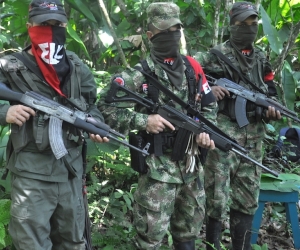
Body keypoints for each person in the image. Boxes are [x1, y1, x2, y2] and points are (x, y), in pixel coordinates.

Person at [97, 2, 217, 250]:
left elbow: (209, 107)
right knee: (150, 239)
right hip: (157, 170)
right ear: (150, 35)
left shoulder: (192, 68)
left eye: (176, 30)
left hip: (191, 167)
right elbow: (104, 109)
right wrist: (142, 121)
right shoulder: (138, 75)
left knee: (188, 233)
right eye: (164, 32)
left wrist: (206, 132)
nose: (171, 36)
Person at [0, 0, 109, 249]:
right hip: (32, 173)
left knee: (73, 241)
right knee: (31, 243)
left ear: (66, 26)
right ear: (30, 26)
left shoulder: (75, 65)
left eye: (57, 24)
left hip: (70, 170)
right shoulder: (10, 66)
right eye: (43, 25)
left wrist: (96, 124)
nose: (51, 30)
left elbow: (92, 105)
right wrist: (6, 111)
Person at [193, 2, 282, 250]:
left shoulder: (262, 57)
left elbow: (270, 90)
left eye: (253, 24)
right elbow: (189, 72)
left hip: (253, 138)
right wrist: (210, 89)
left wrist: (271, 109)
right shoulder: (214, 54)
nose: (249, 29)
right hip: (223, 135)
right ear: (232, 26)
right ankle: (212, 244)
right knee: (216, 198)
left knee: (247, 199)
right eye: (243, 24)